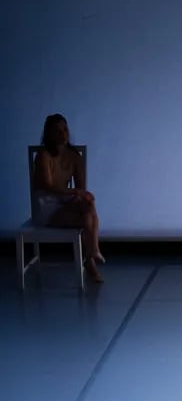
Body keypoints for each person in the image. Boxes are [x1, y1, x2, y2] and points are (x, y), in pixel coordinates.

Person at [31, 113, 105, 283]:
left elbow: (80, 189)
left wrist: (81, 196)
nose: (63, 134)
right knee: (86, 219)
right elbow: (49, 186)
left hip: (64, 200)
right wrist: (76, 193)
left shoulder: (74, 157)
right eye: (57, 131)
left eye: (65, 129)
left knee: (89, 204)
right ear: (49, 134)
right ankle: (91, 258)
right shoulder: (43, 155)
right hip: (47, 204)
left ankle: (92, 253)